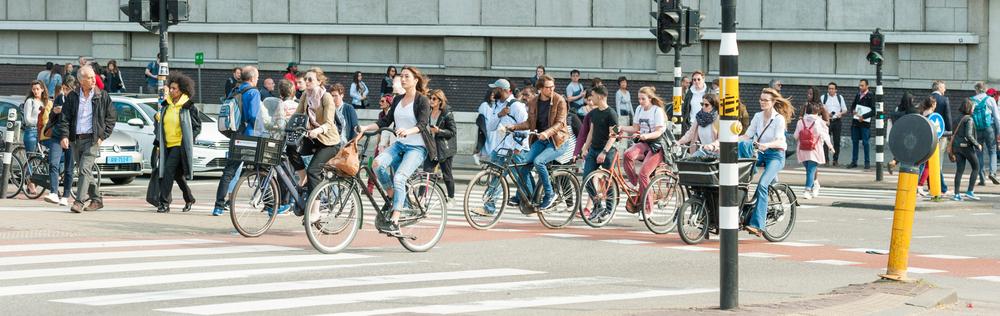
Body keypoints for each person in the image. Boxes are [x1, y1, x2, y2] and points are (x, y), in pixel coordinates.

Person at [359, 66, 437, 234]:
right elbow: (385, 122)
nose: (403, 79)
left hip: (417, 147)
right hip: (400, 144)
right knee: (377, 164)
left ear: (415, 80)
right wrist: (365, 127)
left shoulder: (422, 100)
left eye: (407, 76)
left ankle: (395, 219)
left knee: (400, 177)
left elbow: (423, 124)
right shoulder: (397, 100)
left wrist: (408, 131)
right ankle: (392, 194)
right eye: (402, 76)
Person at [499, 74, 570, 210]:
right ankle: (523, 195)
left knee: (539, 161)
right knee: (523, 165)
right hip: (541, 140)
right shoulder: (533, 102)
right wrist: (514, 127)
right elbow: (529, 123)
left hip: (558, 141)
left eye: (553, 87)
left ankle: (550, 194)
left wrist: (546, 133)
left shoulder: (559, 100)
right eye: (549, 87)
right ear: (540, 88)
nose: (552, 90)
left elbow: (560, 123)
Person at [57, 66, 115, 213]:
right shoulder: (72, 96)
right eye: (89, 77)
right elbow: (64, 118)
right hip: (75, 140)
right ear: (81, 80)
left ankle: (79, 202)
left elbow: (111, 118)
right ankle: (96, 199)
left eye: (93, 76)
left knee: (83, 169)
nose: (93, 79)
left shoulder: (102, 96)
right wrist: (64, 136)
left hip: (93, 139)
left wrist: (102, 136)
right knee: (86, 172)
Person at [739, 88, 794, 237]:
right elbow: (748, 135)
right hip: (760, 153)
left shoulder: (778, 119)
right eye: (761, 99)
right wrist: (729, 141)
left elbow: (778, 140)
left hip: (775, 155)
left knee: (763, 185)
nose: (762, 102)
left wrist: (767, 145)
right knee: (739, 174)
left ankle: (758, 226)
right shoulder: (757, 116)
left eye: (766, 100)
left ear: (773, 102)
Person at [211, 66, 263, 216]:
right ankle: (271, 203)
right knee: (264, 168)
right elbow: (253, 116)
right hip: (249, 136)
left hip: (235, 135)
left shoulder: (235, 90)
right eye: (257, 77)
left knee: (229, 171)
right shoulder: (253, 92)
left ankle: (219, 206)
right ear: (252, 78)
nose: (258, 79)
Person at [296, 69, 344, 218]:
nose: (307, 82)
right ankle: (302, 178)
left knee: (313, 171)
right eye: (306, 79)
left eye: (310, 79)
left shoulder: (326, 97)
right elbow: (297, 114)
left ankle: (315, 211)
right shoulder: (305, 95)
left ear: (319, 82)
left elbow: (329, 123)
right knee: (291, 150)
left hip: (329, 141)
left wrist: (318, 130)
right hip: (312, 138)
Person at [153, 73, 201, 213]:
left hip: (179, 146)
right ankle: (189, 198)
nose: (171, 91)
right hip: (166, 145)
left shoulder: (188, 106)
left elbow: (197, 127)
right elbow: (161, 126)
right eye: (171, 88)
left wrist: (188, 140)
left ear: (182, 90)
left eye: (174, 88)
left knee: (167, 171)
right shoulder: (166, 105)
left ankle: (164, 203)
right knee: (177, 175)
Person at [619, 86, 669, 211]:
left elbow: (658, 132)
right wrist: (622, 128)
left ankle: (648, 209)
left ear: (650, 98)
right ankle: (635, 182)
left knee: (644, 173)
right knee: (627, 154)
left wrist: (646, 135)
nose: (640, 102)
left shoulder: (657, 111)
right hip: (645, 143)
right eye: (639, 99)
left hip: (657, 145)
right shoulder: (639, 109)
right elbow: (635, 128)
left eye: (643, 99)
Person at [42, 78, 76, 206]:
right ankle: (54, 192)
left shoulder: (76, 100)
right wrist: (55, 112)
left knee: (68, 167)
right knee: (53, 163)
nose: (64, 91)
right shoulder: (59, 98)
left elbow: (76, 117)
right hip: (57, 135)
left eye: (67, 89)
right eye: (63, 88)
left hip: (71, 137)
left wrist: (63, 111)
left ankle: (66, 196)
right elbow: (51, 117)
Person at [423, 89, 458, 201]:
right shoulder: (428, 111)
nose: (431, 100)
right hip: (432, 147)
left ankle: (451, 198)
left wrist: (439, 131)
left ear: (440, 101)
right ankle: (421, 198)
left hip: (444, 149)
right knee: (426, 173)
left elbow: (452, 132)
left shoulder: (447, 113)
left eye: (434, 99)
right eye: (430, 98)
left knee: (447, 175)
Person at [796, 101, 835, 199]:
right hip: (815, 149)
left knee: (809, 170)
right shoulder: (819, 122)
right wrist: (830, 147)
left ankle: (813, 187)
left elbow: (795, 136)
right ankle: (808, 190)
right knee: (811, 171)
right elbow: (825, 136)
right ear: (817, 112)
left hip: (802, 149)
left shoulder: (801, 121)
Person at [950, 99, 982, 201]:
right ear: (969, 108)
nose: (974, 109)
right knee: (976, 167)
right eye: (973, 107)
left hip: (957, 147)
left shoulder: (957, 119)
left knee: (959, 170)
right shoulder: (969, 119)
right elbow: (969, 135)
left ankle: (956, 194)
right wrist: (977, 145)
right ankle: (970, 191)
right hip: (967, 148)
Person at [22, 80, 50, 196]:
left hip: (43, 132)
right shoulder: (30, 101)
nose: (35, 91)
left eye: (38, 89)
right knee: (31, 157)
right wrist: (40, 122)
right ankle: (30, 183)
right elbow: (27, 119)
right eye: (33, 89)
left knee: (42, 158)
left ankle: (37, 180)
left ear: (42, 89)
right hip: (32, 131)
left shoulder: (45, 102)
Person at [969, 82, 1000, 185]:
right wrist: (999, 132)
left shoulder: (971, 100)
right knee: (992, 151)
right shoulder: (990, 100)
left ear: (977, 89)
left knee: (979, 153)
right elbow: (997, 117)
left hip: (977, 129)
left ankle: (982, 179)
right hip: (989, 128)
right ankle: (993, 173)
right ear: (985, 89)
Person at [678, 94, 720, 158]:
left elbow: (721, 139)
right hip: (703, 151)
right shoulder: (699, 117)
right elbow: (690, 133)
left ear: (714, 106)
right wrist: (679, 142)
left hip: (717, 153)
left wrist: (712, 146)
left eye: (706, 105)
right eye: (702, 104)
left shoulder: (718, 119)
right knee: (691, 162)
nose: (703, 107)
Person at [849, 79, 875, 169]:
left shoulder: (871, 96)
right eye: (860, 85)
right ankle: (854, 161)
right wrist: (853, 111)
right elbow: (853, 105)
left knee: (865, 142)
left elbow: (874, 111)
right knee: (855, 141)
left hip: (864, 123)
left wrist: (863, 116)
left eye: (862, 85)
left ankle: (867, 162)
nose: (860, 87)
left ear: (867, 86)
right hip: (856, 122)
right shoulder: (858, 95)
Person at [821, 82, 847, 166]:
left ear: (836, 90)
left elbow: (845, 109)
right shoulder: (823, 97)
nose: (830, 90)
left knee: (836, 141)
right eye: (829, 88)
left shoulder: (840, 98)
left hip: (837, 121)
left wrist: (840, 113)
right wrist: (826, 114)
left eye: (832, 88)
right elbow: (819, 108)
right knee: (825, 140)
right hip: (826, 121)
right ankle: (826, 160)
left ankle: (835, 160)